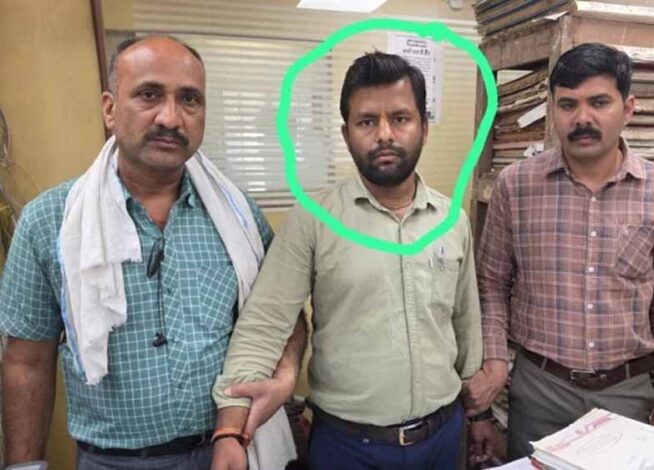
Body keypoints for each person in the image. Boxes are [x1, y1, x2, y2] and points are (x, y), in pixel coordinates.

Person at [0, 35, 305, 469]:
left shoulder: (239, 215)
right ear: (110, 109)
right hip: (114, 461)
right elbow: (27, 361)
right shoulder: (50, 221)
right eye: (149, 95)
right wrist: (24, 466)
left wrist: (287, 375)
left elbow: (284, 316)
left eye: (189, 99)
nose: (170, 117)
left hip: (230, 449)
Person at [210, 51, 483, 470]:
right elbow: (264, 322)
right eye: (367, 121)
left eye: (401, 118)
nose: (385, 134)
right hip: (349, 448)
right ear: (346, 132)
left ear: (424, 128)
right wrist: (231, 427)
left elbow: (466, 322)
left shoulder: (453, 221)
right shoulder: (313, 221)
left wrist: (480, 414)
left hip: (442, 439)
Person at [463, 43, 654, 462]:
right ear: (552, 110)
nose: (582, 118)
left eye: (599, 102)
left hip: (627, 393)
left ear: (628, 108)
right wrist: (494, 362)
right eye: (568, 104)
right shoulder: (516, 187)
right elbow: (490, 284)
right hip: (540, 391)